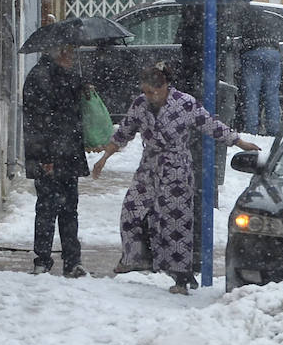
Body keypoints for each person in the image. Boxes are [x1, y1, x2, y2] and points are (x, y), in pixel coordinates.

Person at [92, 62, 260, 294]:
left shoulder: (185, 103)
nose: (148, 96)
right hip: (149, 168)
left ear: (164, 87)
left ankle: (181, 277)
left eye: (152, 92)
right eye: (145, 91)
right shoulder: (140, 105)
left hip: (176, 170)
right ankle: (136, 257)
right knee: (131, 209)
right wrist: (104, 158)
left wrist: (239, 141)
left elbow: (211, 124)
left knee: (175, 222)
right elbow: (123, 132)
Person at [22, 42, 89, 278]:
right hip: (49, 156)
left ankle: (72, 261)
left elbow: (71, 114)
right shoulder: (40, 78)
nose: (73, 56)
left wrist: (82, 87)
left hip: (67, 154)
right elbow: (38, 121)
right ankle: (43, 259)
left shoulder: (65, 76)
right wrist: (45, 156)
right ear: (59, 52)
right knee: (48, 208)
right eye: (70, 51)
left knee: (70, 207)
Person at [237, 2, 282, 139]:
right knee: (272, 94)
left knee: (252, 94)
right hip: (273, 53)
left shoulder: (244, 20)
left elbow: (234, 38)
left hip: (252, 53)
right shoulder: (266, 18)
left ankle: (252, 130)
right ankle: (274, 129)